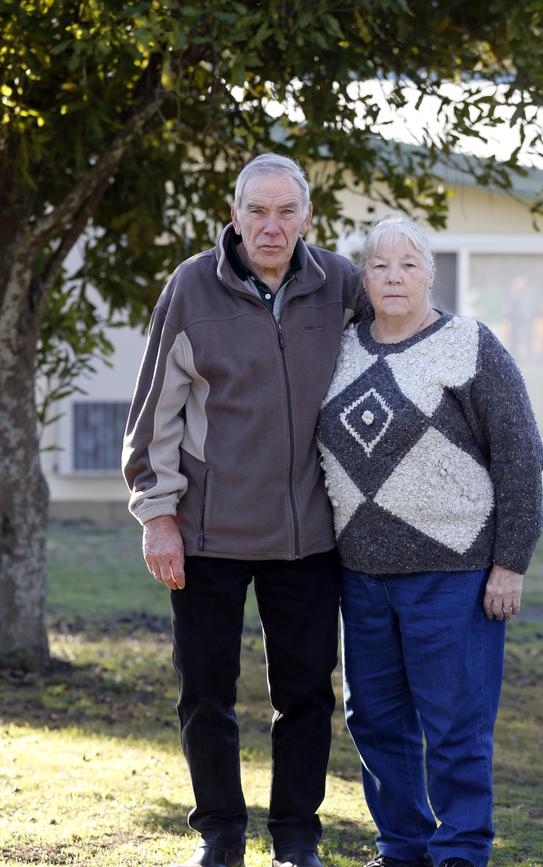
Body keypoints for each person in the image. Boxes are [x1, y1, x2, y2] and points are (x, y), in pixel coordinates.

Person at [122, 153, 360, 867]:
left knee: (307, 696)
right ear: (233, 216)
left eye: (287, 210)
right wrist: (158, 515)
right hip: (206, 534)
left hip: (309, 535)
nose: (271, 225)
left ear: (308, 218)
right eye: (257, 210)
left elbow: (397, 356)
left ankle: (296, 837)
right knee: (205, 694)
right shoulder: (193, 286)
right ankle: (220, 834)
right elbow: (154, 412)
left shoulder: (342, 285)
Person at [316, 213, 543, 867]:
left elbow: (520, 456)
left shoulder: (470, 344)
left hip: (456, 571)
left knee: (454, 725)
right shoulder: (341, 346)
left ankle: (461, 850)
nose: (393, 276)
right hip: (359, 575)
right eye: (380, 265)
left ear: (430, 274)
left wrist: (510, 562)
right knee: (376, 722)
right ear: (363, 277)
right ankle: (403, 846)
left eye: (408, 264)